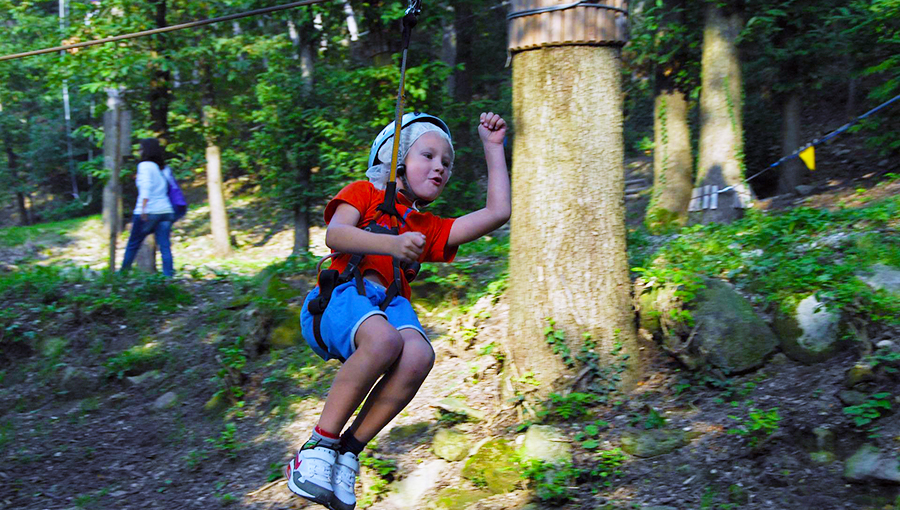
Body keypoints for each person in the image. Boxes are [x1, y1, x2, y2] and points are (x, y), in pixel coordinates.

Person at [286, 112, 510, 510]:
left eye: (447, 162)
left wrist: (493, 148)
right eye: (428, 155)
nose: (440, 166)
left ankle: (348, 452)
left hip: (389, 303)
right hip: (339, 294)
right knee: (385, 339)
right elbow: (335, 234)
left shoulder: (429, 227)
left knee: (420, 354)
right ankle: (319, 445)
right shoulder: (364, 193)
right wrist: (390, 245)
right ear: (397, 160)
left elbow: (496, 214)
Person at [119, 138, 176, 277]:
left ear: (145, 150)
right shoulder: (163, 168)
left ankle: (122, 275)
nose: (139, 151)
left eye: (140, 148)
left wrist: (143, 209)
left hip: (149, 210)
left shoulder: (144, 165)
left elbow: (146, 188)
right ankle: (168, 277)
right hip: (166, 211)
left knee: (133, 244)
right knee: (164, 246)